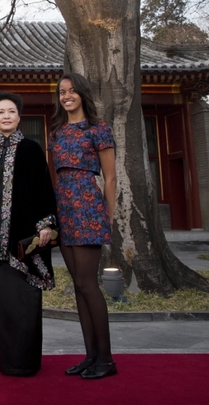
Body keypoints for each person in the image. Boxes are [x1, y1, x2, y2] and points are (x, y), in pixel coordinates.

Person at [0, 92, 58, 377]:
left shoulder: (32, 149)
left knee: (27, 302)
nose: (6, 116)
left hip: (24, 240)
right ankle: (9, 362)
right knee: (6, 305)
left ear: (19, 116)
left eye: (11, 111)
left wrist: (45, 224)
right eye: (1, 112)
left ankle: (28, 362)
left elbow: (44, 189)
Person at [49, 73, 117, 380]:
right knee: (78, 286)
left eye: (72, 91)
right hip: (64, 208)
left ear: (82, 94)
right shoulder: (57, 133)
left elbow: (111, 177)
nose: (67, 96)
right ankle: (90, 355)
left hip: (89, 207)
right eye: (62, 92)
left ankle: (106, 358)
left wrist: (109, 216)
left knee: (89, 284)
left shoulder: (98, 128)